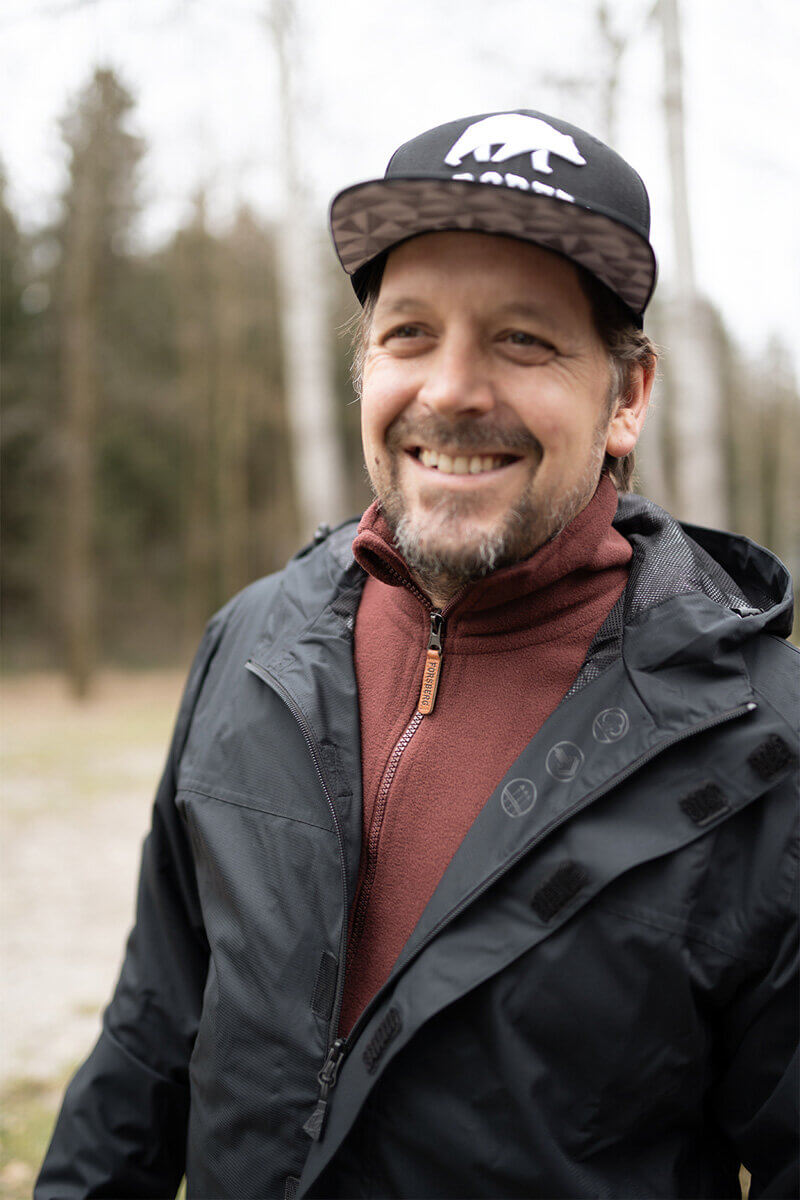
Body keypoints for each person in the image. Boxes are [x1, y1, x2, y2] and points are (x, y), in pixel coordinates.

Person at [37, 109, 798, 1200]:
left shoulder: (760, 744)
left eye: (521, 340)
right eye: (408, 334)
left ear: (623, 397)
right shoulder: (252, 646)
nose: (448, 390)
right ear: (364, 369)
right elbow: (148, 1046)